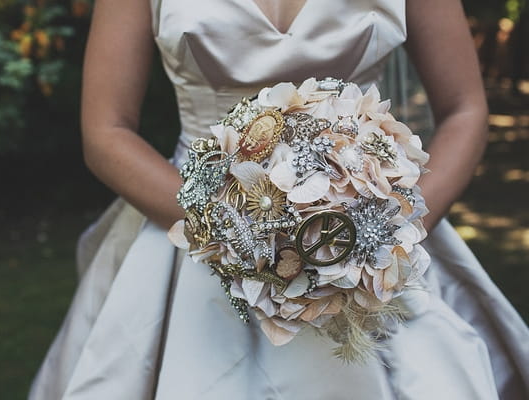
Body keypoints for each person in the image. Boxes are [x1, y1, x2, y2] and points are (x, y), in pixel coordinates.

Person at [29, 0, 529, 399]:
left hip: (371, 243)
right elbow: (106, 130)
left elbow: (465, 109)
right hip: (189, 230)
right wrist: (236, 232)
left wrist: (383, 235)